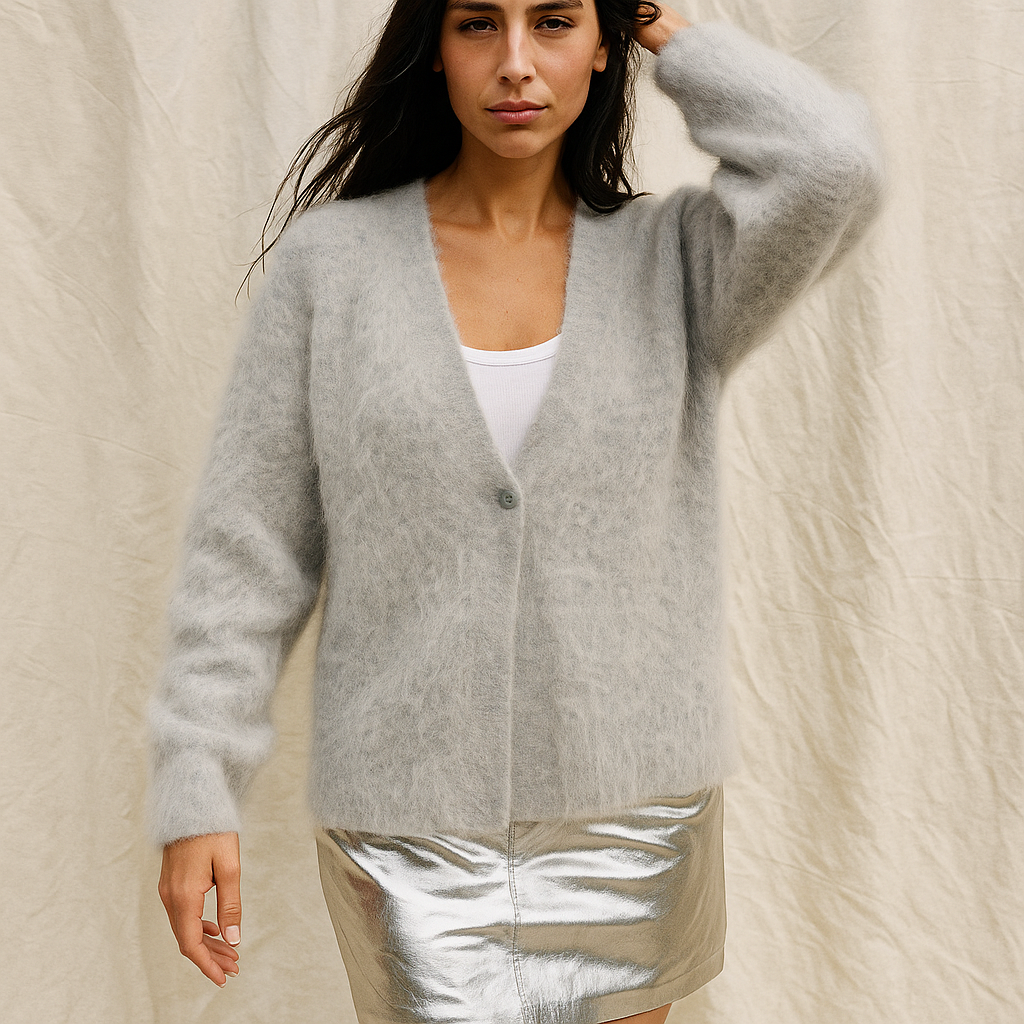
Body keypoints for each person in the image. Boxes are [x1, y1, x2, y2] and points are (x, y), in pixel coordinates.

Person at [151, 0, 884, 1021]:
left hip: (631, 813)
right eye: (476, 25)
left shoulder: (675, 262)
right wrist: (197, 779)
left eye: (552, 22)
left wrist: (667, 32)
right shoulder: (334, 266)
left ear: (602, 44)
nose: (514, 63)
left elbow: (834, 163)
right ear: (434, 49)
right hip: (406, 820)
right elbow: (249, 548)